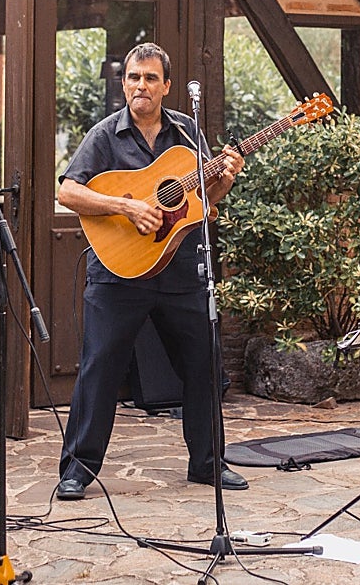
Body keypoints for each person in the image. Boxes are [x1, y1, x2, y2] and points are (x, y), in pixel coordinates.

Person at [54, 42, 248, 500]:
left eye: (150, 79)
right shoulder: (104, 136)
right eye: (134, 78)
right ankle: (78, 469)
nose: (141, 86)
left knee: (204, 363)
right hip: (118, 272)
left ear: (166, 86)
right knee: (100, 367)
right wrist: (124, 205)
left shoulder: (187, 133)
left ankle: (207, 463)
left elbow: (199, 204)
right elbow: (68, 192)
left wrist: (225, 179)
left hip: (178, 268)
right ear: (124, 84)